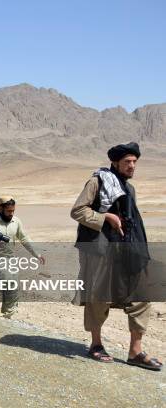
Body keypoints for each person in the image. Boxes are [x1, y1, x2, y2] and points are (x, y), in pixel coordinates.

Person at [71, 142, 161, 371]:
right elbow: (78, 210)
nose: (132, 166)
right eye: (127, 162)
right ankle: (96, 344)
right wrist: (106, 218)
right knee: (99, 297)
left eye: (134, 162)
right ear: (115, 162)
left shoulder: (129, 189)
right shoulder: (97, 181)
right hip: (99, 250)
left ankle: (135, 351)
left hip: (126, 251)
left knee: (142, 296)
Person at [0, 196, 45, 318]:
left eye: (13, 211)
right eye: (9, 211)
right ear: (1, 208)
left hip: (9, 259)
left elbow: (24, 238)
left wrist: (37, 254)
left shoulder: (16, 221)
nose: (11, 214)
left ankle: (8, 315)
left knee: (11, 285)